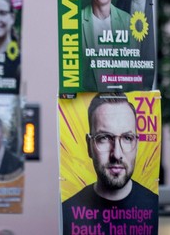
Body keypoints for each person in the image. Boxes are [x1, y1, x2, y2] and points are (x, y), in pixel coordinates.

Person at [61, 93, 158, 233]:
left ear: (137, 144)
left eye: (127, 138)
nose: (117, 154)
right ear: (89, 146)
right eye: (104, 138)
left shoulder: (156, 208)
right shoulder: (66, 213)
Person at [81, 0, 132, 90]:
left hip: (120, 104)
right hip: (85, 105)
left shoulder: (128, 22)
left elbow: (133, 73)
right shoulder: (76, 23)